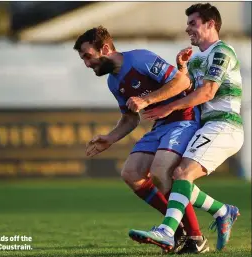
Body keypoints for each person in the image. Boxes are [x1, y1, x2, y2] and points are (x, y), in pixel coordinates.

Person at [73, 26, 210, 254]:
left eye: (88, 56)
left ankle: (196, 238)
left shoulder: (140, 59)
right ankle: (177, 233)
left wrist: (147, 99)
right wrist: (110, 138)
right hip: (161, 125)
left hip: (184, 118)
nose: (87, 64)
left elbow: (182, 83)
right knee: (132, 174)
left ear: (105, 48)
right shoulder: (113, 82)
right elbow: (130, 118)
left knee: (161, 172)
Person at [129, 3, 244, 252]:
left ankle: (167, 231)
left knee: (182, 174)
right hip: (207, 127)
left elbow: (208, 91)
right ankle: (223, 211)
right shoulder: (197, 59)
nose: (187, 28)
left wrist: (169, 108)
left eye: (193, 23)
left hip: (224, 126)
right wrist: (182, 68)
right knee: (175, 177)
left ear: (210, 24)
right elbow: (189, 87)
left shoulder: (223, 51)